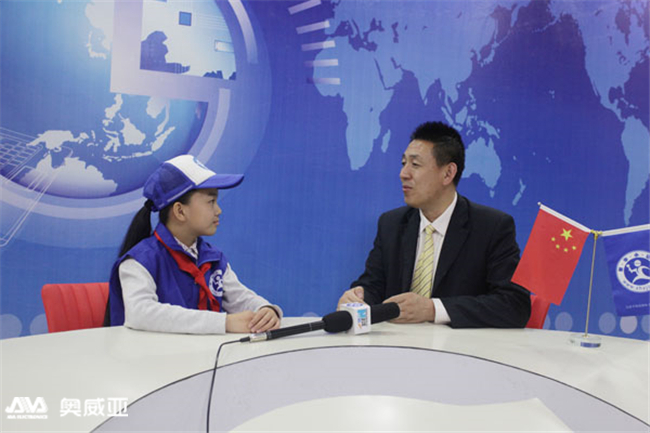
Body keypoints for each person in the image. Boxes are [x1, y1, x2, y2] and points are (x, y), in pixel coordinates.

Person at [338, 121, 530, 328]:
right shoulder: (391, 224)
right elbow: (373, 285)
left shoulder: (492, 227)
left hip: (460, 346)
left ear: (448, 173)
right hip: (396, 343)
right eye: (403, 163)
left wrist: (432, 309)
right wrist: (359, 296)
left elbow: (514, 305)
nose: (403, 173)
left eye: (415, 165)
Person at [107, 155, 282, 334]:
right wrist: (224, 323)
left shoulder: (212, 258)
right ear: (180, 211)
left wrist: (265, 310)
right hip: (147, 352)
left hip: (202, 351)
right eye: (211, 202)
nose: (219, 210)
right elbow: (140, 313)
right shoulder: (140, 260)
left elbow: (240, 298)